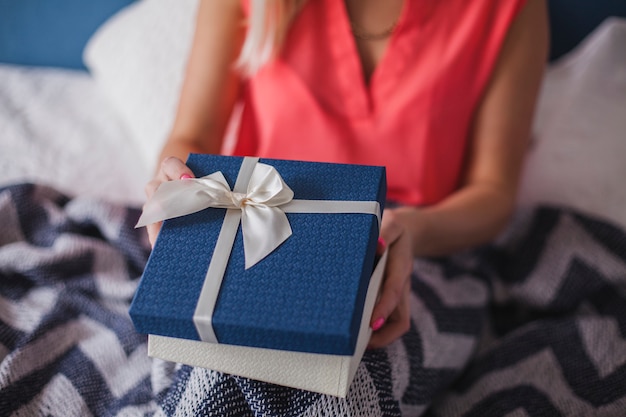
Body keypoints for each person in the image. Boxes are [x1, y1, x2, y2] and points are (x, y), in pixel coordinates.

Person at [144, 0, 548, 350]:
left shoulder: (509, 8)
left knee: (351, 372)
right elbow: (192, 134)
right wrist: (174, 181)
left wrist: (404, 232)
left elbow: (493, 191)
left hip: (414, 258)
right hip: (251, 246)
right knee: (213, 358)